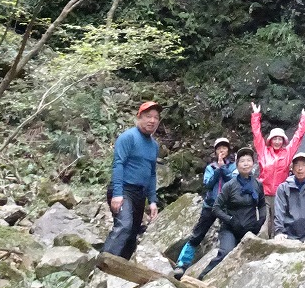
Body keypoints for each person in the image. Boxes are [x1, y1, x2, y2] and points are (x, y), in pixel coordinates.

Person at [101, 101, 161, 260]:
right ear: (139, 117)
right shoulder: (128, 137)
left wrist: (152, 201)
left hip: (140, 194)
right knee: (124, 226)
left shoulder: (154, 146)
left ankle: (119, 269)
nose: (152, 120)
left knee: (132, 235)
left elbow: (152, 173)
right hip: (124, 190)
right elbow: (118, 164)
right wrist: (117, 194)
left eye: (156, 117)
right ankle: (102, 265)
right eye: (148, 116)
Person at [173, 136, 237, 278]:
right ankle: (182, 264)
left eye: (224, 148)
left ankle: (222, 265)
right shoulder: (210, 167)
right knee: (198, 233)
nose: (222, 151)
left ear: (228, 150)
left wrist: (223, 168)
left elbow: (233, 182)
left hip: (226, 206)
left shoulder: (233, 167)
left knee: (229, 233)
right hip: (210, 205)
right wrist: (218, 169)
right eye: (219, 148)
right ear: (215, 151)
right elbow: (207, 184)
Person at [200, 146, 266, 279]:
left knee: (253, 259)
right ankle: (202, 277)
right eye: (242, 161)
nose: (246, 164)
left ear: (253, 164)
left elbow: (262, 205)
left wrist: (260, 221)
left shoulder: (257, 184)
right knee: (226, 253)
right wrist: (230, 220)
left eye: (248, 160)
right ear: (237, 165)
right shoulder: (230, 185)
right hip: (230, 228)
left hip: (249, 229)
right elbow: (216, 208)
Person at [251, 102, 305, 237]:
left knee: (278, 224)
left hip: (281, 194)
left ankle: (275, 245)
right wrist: (256, 115)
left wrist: (304, 118)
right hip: (264, 193)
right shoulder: (263, 151)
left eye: (280, 139)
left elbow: (297, 138)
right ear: (270, 140)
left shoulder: (287, 153)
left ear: (283, 141)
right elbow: (257, 135)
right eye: (275, 139)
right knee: (263, 224)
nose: (277, 142)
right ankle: (261, 245)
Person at [274, 152, 305, 243]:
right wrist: (279, 231)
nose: (300, 168)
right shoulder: (283, 188)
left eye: (304, 165)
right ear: (292, 168)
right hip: (286, 235)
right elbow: (279, 211)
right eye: (297, 165)